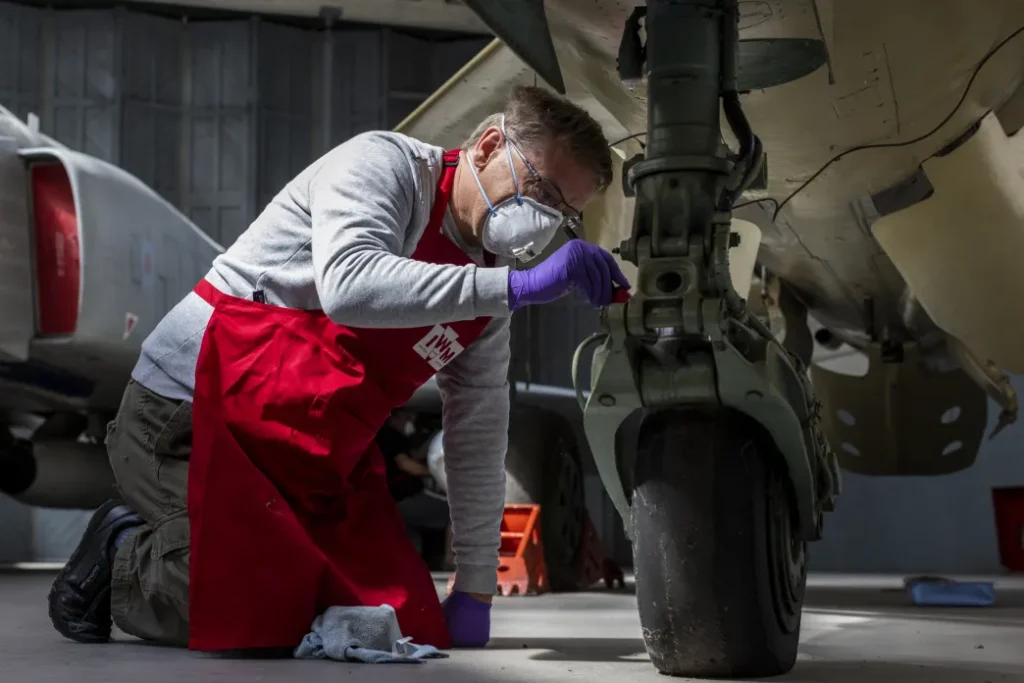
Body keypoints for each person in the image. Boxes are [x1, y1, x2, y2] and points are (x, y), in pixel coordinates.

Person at [47, 84, 627, 653]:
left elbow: (476, 427)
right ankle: (121, 547)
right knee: (250, 603)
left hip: (299, 455)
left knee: (391, 614)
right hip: (186, 418)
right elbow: (350, 283)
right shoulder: (385, 167)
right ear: (488, 146)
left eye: (563, 213)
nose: (543, 221)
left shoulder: (490, 289)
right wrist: (517, 286)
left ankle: (225, 549)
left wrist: (476, 587)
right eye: (541, 189)